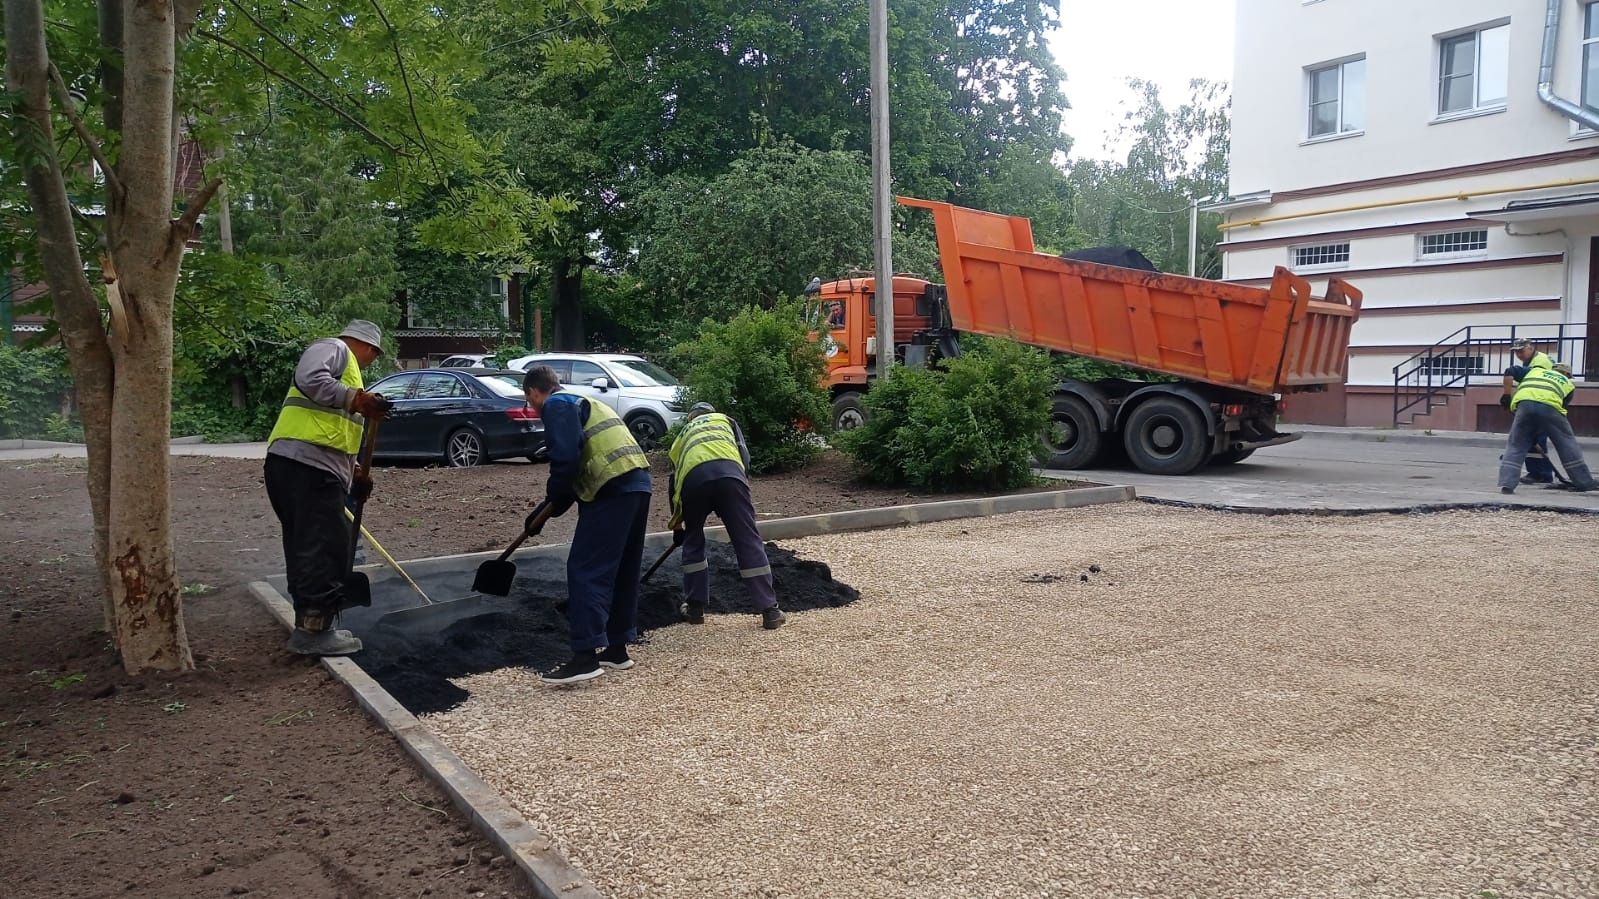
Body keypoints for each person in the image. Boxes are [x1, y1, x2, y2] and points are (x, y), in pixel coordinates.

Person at [264, 320, 392, 656]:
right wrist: (355, 398)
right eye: (373, 355)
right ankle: (314, 632)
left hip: (303, 468)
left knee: (309, 546)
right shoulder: (334, 348)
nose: (370, 362)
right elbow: (309, 378)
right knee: (323, 547)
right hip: (306, 467)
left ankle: (310, 622)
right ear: (368, 346)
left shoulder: (351, 376)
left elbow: (330, 432)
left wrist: (356, 473)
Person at [522, 364, 652, 684]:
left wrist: (551, 500)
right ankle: (616, 650)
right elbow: (575, 470)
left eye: (530, 401)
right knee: (621, 568)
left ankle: (584, 657)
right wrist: (549, 508)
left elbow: (566, 459)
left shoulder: (556, 404)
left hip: (611, 488)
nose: (533, 408)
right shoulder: (587, 401)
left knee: (585, 568)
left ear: (534, 392)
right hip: (638, 483)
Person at [667, 403, 785, 630]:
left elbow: (674, 483)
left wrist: (678, 526)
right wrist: (736, 491)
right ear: (710, 413)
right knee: (747, 539)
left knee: (694, 540)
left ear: (691, 419)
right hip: (730, 476)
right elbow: (744, 456)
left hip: (694, 481)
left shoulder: (682, 437)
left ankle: (694, 609)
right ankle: (770, 611)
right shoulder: (725, 420)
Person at [1497, 361, 1596, 494]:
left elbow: (1510, 371)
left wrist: (1507, 395)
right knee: (1567, 443)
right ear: (1567, 374)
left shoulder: (1534, 371)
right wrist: (1541, 430)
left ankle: (1507, 484)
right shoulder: (1568, 384)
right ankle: (1583, 482)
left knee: (1516, 444)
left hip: (1524, 405)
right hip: (1551, 408)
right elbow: (1561, 409)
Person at [1503, 339, 1556, 485]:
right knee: (1533, 439)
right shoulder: (1531, 361)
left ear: (1531, 348)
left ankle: (1540, 473)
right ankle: (1540, 473)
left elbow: (1522, 377)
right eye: (1516, 352)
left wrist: (1507, 395)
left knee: (1535, 438)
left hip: (1540, 402)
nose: (1518, 354)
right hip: (1538, 402)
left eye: (1521, 350)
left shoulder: (1540, 362)